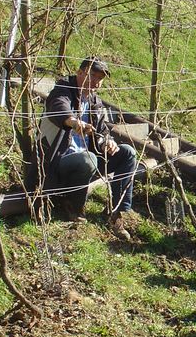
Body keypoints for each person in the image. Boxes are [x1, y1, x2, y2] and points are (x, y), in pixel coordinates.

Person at [38, 57, 137, 240]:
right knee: (88, 159)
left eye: (100, 79)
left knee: (128, 153)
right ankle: (73, 205)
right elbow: (59, 108)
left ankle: (115, 213)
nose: (96, 83)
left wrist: (107, 141)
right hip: (57, 161)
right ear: (80, 72)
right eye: (93, 77)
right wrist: (74, 122)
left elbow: (101, 131)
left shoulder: (94, 102)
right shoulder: (63, 90)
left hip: (87, 160)